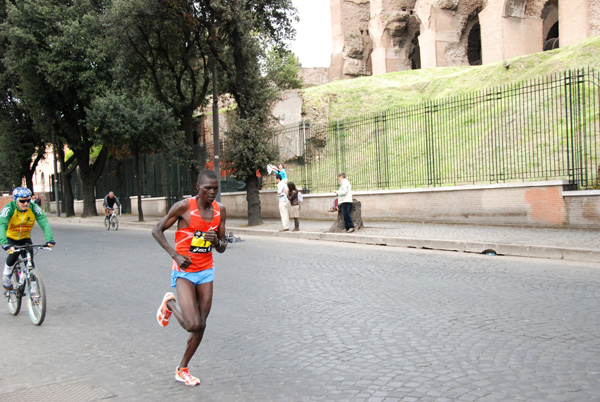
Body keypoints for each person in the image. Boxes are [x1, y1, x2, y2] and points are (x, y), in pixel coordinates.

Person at [152, 170, 227, 386]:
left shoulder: (220, 211)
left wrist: (216, 242)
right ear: (198, 187)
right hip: (184, 271)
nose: (212, 192)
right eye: (207, 189)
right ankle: (169, 303)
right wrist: (175, 254)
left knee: (201, 325)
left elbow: (222, 247)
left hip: (206, 271)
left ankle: (182, 368)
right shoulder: (183, 207)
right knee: (192, 324)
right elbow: (157, 230)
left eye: (215, 188)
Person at [1, 187, 56, 290]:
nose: (26, 203)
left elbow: (43, 221)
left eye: (28, 200)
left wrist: (49, 239)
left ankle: (34, 290)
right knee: (14, 254)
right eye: (22, 201)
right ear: (16, 200)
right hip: (10, 238)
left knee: (30, 263)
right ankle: (7, 275)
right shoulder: (9, 209)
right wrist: (4, 243)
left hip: (25, 238)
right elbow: (2, 225)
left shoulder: (34, 207)